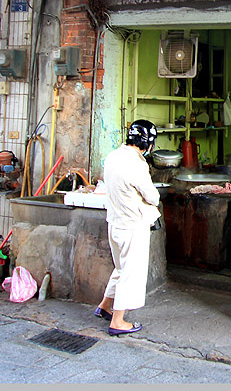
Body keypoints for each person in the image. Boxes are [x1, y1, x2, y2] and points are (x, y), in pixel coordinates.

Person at [95, 119, 161, 335]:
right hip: (132, 225)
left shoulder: (113, 156)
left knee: (121, 268)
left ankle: (104, 306)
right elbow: (152, 196)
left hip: (114, 223)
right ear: (148, 143)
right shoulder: (136, 163)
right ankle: (118, 321)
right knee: (130, 273)